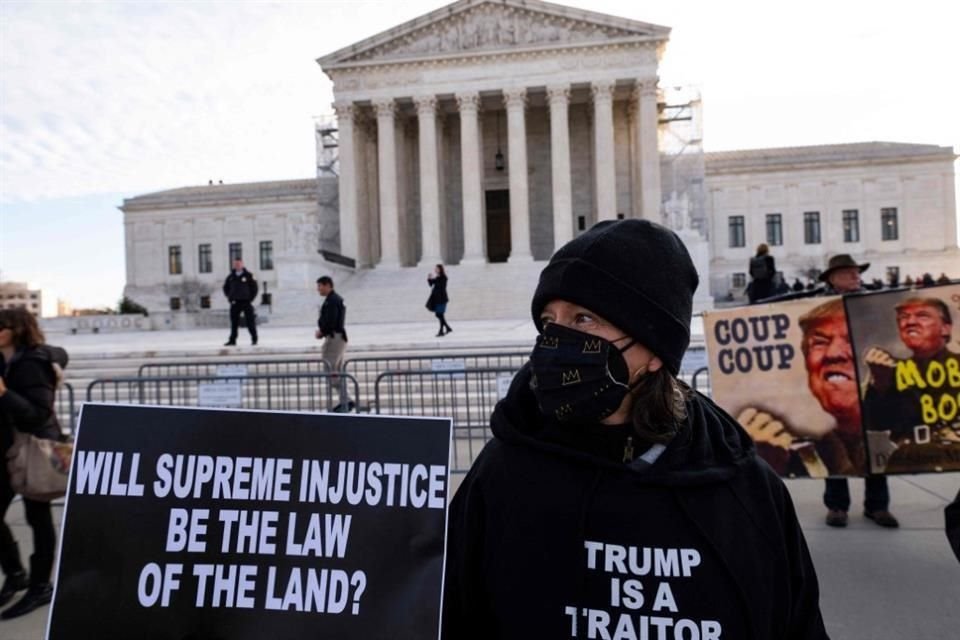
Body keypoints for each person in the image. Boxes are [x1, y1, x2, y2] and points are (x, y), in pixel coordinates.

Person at [442, 219, 828, 640]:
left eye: (584, 318)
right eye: (549, 321)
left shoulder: (745, 492)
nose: (556, 340)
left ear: (655, 350)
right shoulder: (502, 474)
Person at [738, 299, 865, 479]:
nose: (833, 353)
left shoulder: (897, 434)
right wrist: (763, 462)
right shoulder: (809, 449)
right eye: (819, 342)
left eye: (849, 341)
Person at [817, 254, 897, 528]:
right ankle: (837, 505)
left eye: (857, 272)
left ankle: (877, 505)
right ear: (833, 278)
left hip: (869, 382)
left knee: (875, 442)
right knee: (835, 443)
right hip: (837, 385)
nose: (856, 276)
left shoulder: (872, 302)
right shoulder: (818, 307)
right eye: (849, 272)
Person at [0, 308, 66, 619]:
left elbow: (38, 413)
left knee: (37, 517)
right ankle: (16, 574)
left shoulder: (32, 363)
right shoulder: (6, 359)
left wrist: (4, 393)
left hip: (33, 449)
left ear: (17, 330)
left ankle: (40, 586)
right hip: (8, 449)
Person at [862, 297, 960, 447]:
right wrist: (880, 383)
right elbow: (875, 424)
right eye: (903, 317)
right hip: (910, 457)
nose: (910, 322)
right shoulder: (889, 371)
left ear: (945, 328)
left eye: (923, 316)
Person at [315, 276, 349, 409]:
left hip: (334, 338)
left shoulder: (333, 300)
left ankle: (346, 400)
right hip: (337, 337)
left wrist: (322, 332)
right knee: (336, 370)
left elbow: (331, 321)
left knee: (331, 369)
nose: (318, 289)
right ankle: (345, 400)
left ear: (328, 285)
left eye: (320, 286)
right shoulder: (333, 299)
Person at [222, 258, 258, 346]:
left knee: (250, 321)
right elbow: (225, 288)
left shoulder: (249, 275)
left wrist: (250, 298)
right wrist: (230, 297)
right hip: (235, 302)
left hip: (246, 302)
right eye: (235, 264)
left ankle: (254, 338)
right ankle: (232, 340)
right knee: (234, 323)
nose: (237, 265)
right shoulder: (230, 277)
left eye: (238, 264)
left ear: (242, 264)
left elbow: (254, 288)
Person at [426, 264, 453, 337]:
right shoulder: (437, 277)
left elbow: (441, 286)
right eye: (435, 268)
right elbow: (431, 284)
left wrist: (435, 279)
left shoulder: (443, 277)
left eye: (437, 268)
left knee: (439, 314)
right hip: (437, 299)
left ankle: (442, 330)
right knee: (440, 315)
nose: (435, 270)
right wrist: (429, 279)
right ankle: (447, 328)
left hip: (442, 299)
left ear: (440, 269)